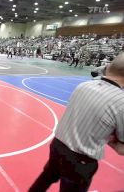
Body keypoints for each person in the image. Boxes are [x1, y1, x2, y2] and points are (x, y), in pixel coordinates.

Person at [29, 53, 124, 192]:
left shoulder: (83, 86)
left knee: (46, 177)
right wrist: (110, 140)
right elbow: (121, 149)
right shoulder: (120, 102)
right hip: (80, 161)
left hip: (58, 147)